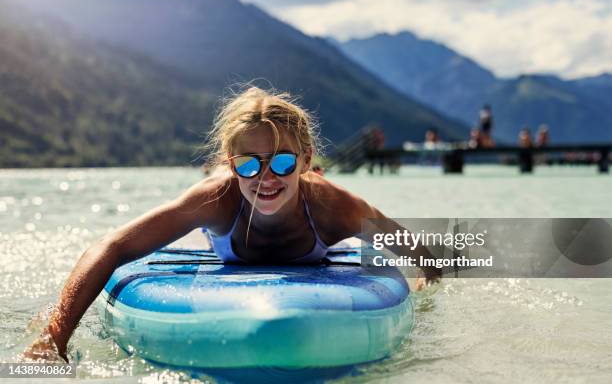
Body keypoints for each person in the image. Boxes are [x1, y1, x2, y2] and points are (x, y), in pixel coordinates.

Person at [21, 86, 440, 362]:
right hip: (222, 228)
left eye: (282, 161)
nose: (266, 177)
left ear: (307, 162)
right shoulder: (217, 198)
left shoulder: (336, 209)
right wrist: (53, 339)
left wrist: (424, 298)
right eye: (247, 163)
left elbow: (424, 255)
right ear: (228, 163)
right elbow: (111, 247)